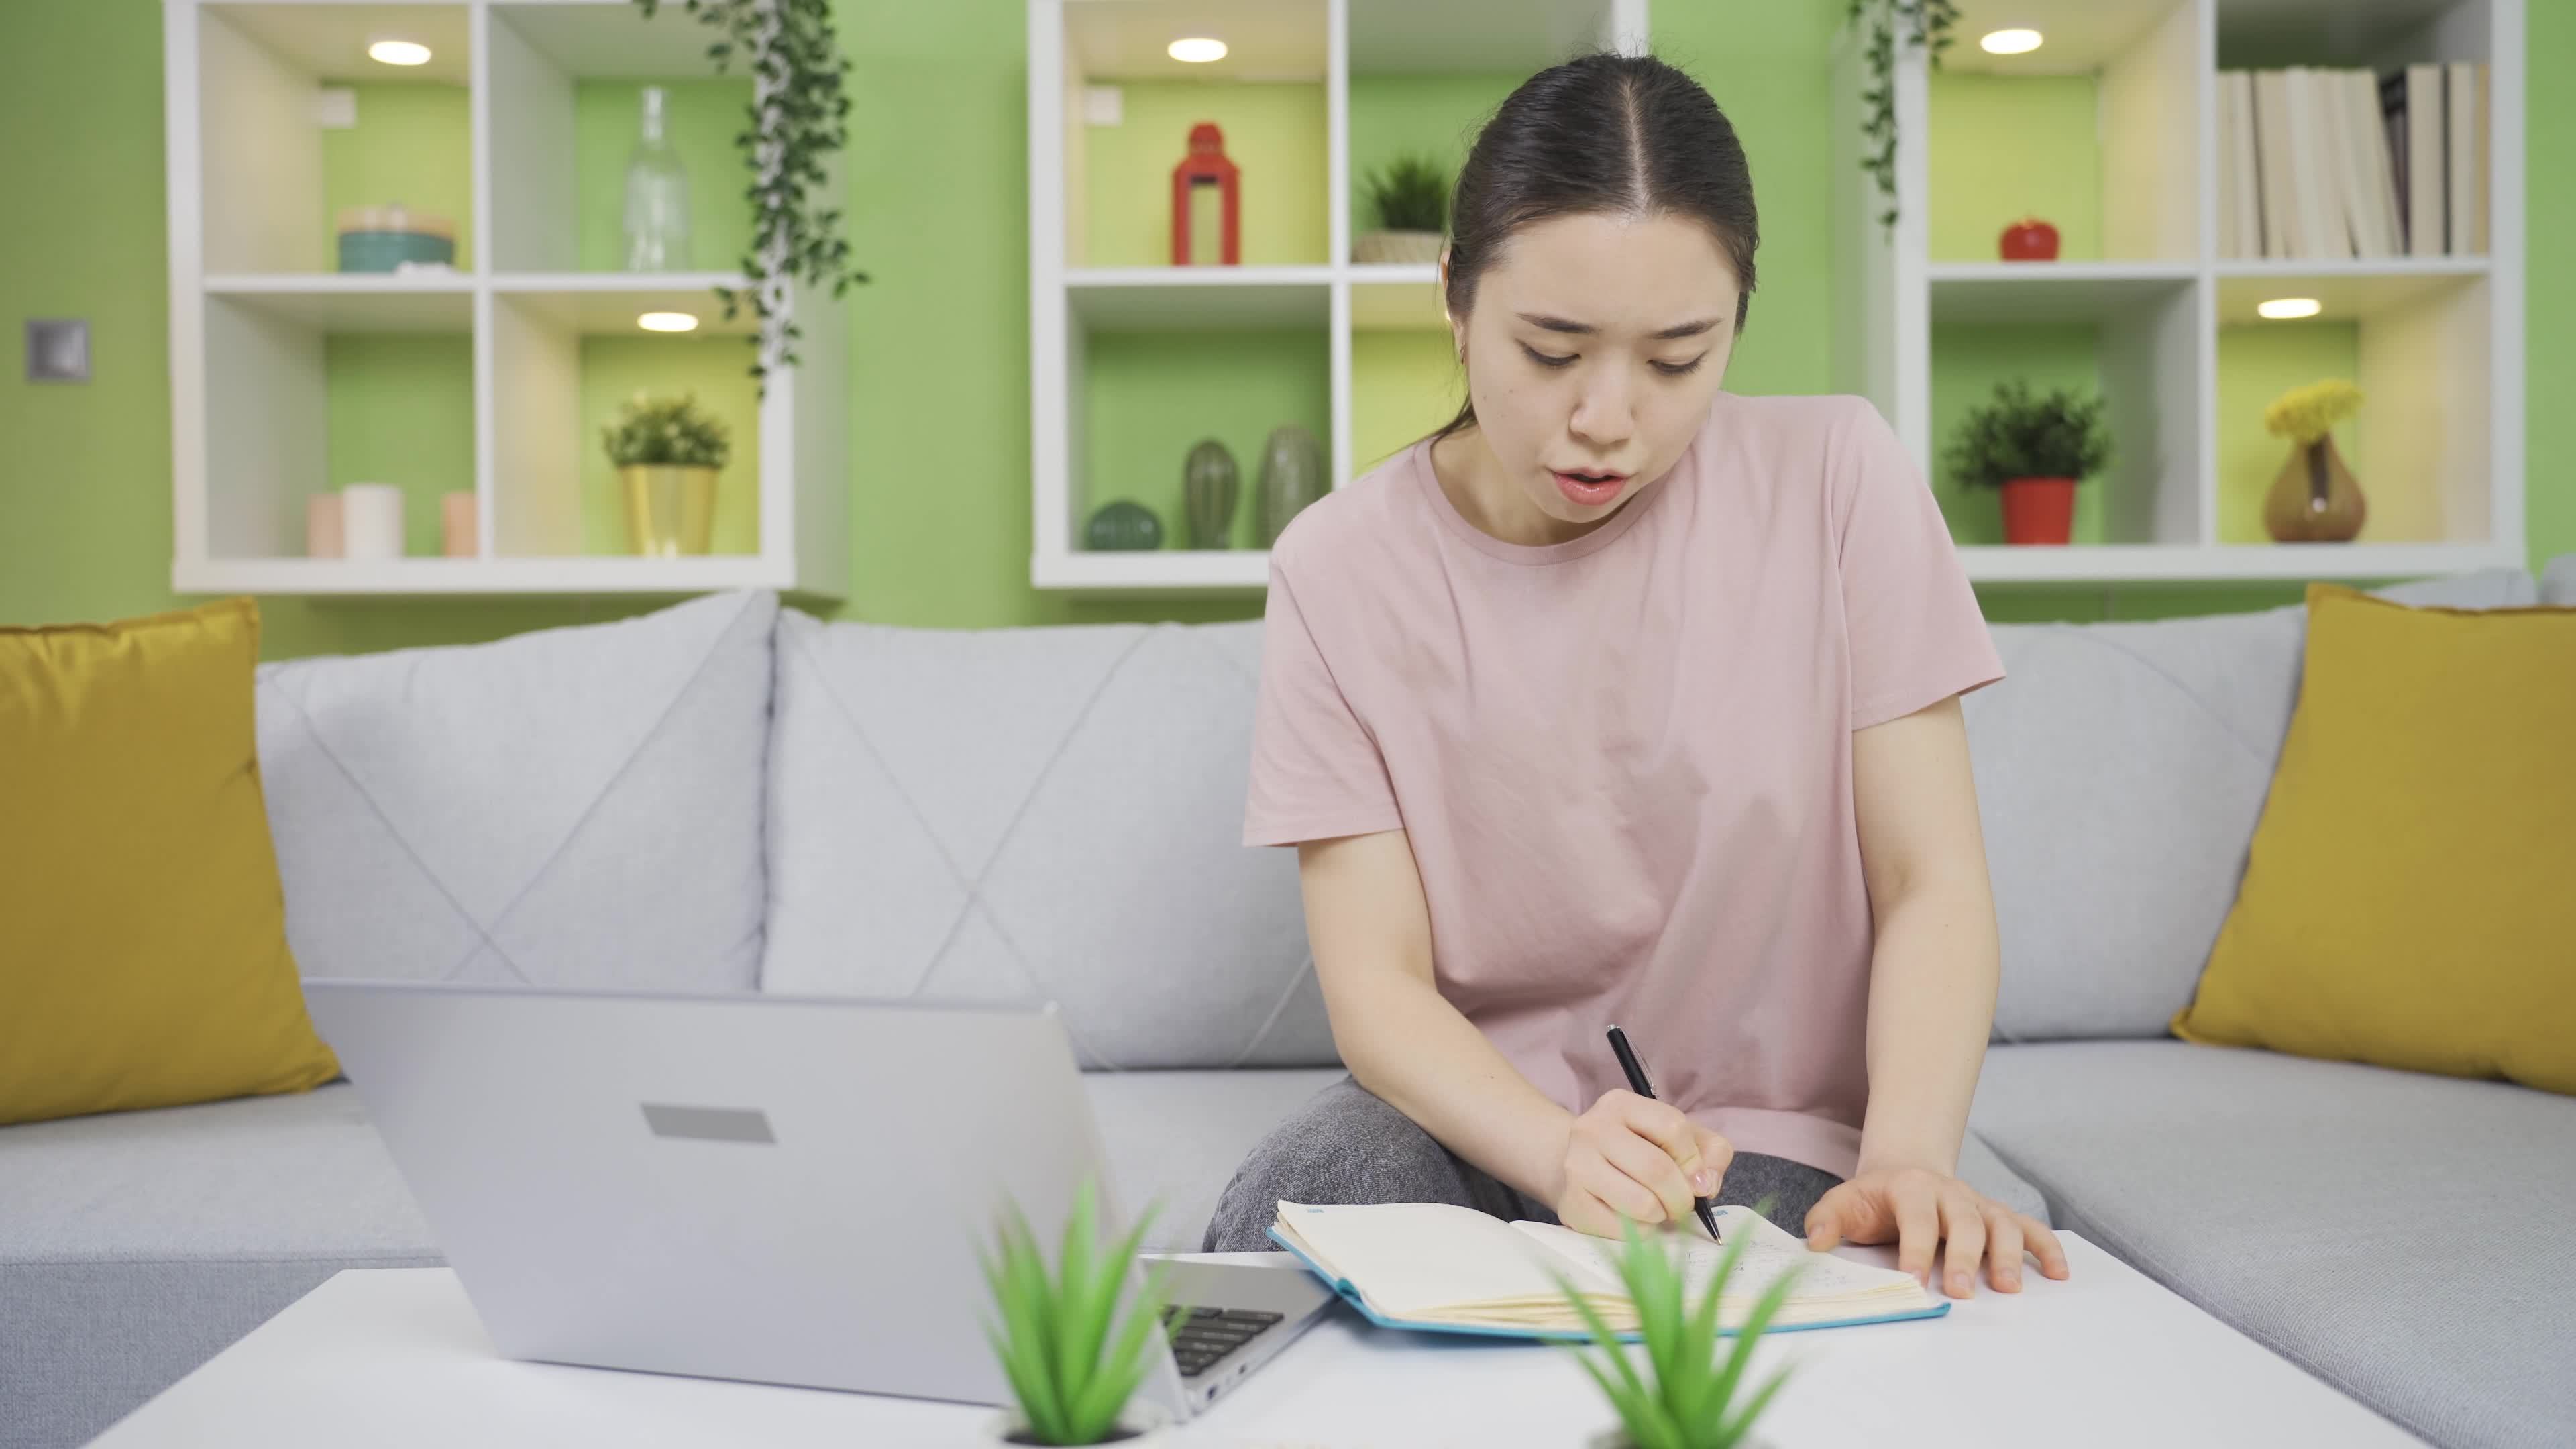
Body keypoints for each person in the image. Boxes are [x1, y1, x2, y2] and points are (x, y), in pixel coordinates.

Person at [1199, 52, 2072, 1301]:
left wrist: (1909, 1157)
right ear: (1453, 297)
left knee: (1780, 1277)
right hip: (1477, 1122)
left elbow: (1932, 881)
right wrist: (1555, 1150)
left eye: (1677, 359)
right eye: (1552, 350)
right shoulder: (1337, 570)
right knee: (1302, 1208)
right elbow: (1376, 982)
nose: (1610, 417)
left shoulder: (1838, 480)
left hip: (1769, 1144)